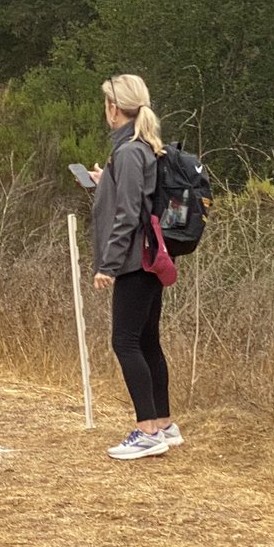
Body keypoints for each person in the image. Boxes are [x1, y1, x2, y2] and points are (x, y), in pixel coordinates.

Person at [89, 73, 183, 460]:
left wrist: (107, 266)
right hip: (151, 258)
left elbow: (128, 215)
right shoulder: (144, 147)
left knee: (125, 341)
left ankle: (147, 431)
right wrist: (103, 182)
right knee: (146, 340)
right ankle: (163, 423)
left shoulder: (128, 151)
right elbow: (134, 198)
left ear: (114, 107)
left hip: (132, 261)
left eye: (106, 104)